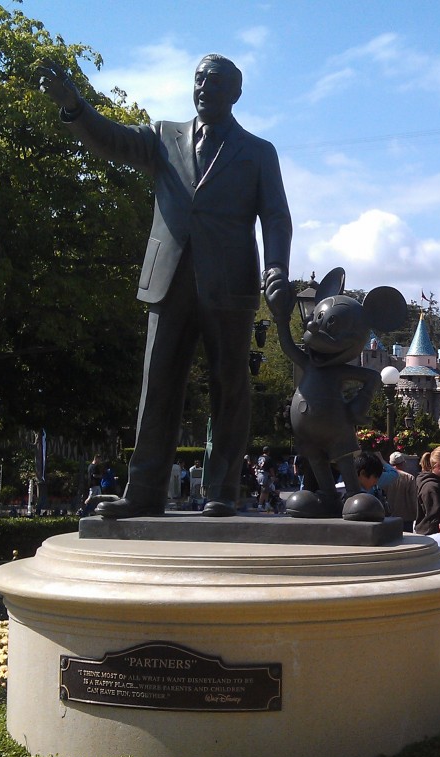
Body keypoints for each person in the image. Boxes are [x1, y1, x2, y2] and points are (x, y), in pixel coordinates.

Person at [37, 54, 292, 519]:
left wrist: (276, 268)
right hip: (168, 280)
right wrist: (76, 107)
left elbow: (275, 216)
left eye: (214, 83)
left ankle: (223, 492)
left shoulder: (258, 151)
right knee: (156, 387)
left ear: (234, 93)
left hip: (229, 284)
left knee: (229, 389)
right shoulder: (161, 136)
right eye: (198, 81)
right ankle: (145, 490)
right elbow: (113, 139)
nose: (203, 89)